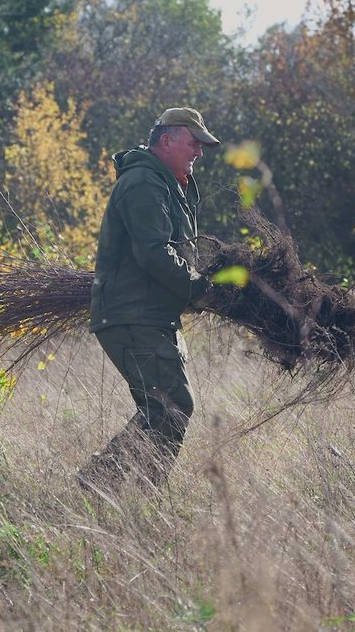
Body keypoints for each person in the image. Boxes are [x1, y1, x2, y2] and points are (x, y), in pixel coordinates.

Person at [77, 107, 221, 494]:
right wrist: (200, 290)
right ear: (167, 141)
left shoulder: (168, 183)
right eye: (194, 143)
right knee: (170, 407)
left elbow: (174, 251)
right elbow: (154, 252)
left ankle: (121, 489)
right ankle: (108, 487)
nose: (199, 153)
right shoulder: (143, 182)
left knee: (168, 408)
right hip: (133, 315)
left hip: (153, 316)